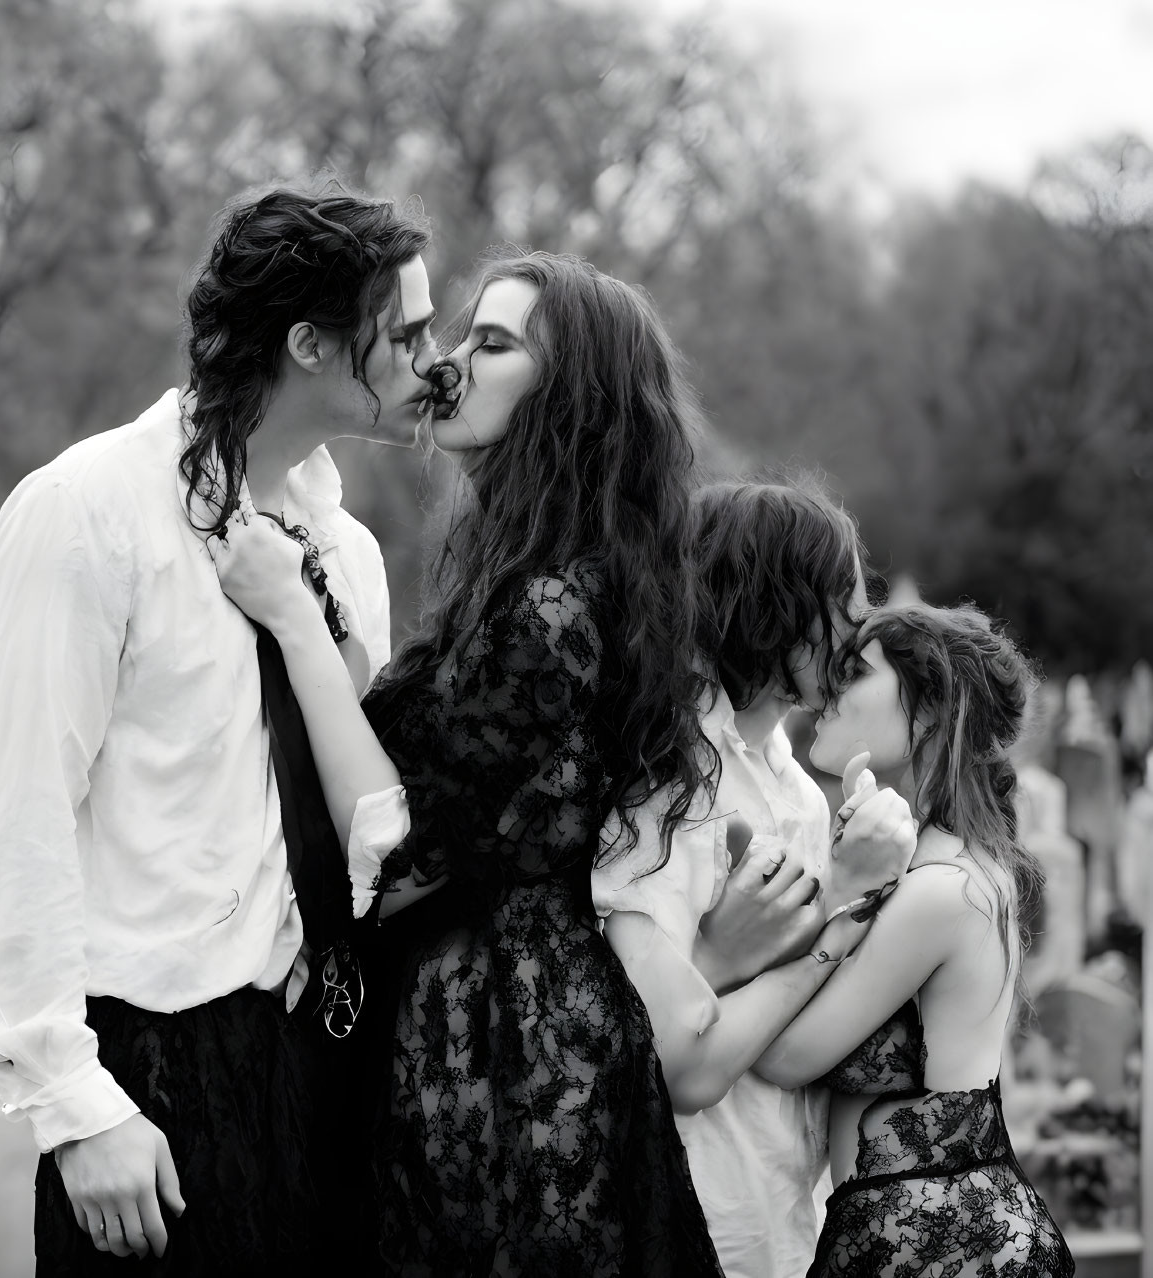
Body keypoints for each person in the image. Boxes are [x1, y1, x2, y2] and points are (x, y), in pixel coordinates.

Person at [0, 181, 440, 1275]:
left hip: (316, 1065)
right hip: (148, 1076)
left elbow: (361, 828)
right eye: (401, 333)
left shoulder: (345, 556)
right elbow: (10, 817)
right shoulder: (85, 513)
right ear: (311, 345)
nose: (430, 358)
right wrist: (75, 1105)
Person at [210, 250, 726, 1275]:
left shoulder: (550, 606)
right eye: (457, 336)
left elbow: (395, 848)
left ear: (566, 397)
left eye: (491, 345)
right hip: (487, 1024)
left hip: (505, 1054)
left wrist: (293, 625)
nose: (445, 363)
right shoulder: (531, 578)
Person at [592, 480, 916, 1278]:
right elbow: (671, 1063)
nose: (858, 623)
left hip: (784, 1208)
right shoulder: (668, 781)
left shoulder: (800, 789)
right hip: (694, 1213)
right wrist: (838, 911)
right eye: (841, 597)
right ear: (768, 605)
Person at [755, 601, 1076, 1277]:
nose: (829, 689)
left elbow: (782, 1056)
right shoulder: (937, 864)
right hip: (910, 1231)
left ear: (929, 710)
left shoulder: (941, 888)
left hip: (942, 1245)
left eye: (856, 672)